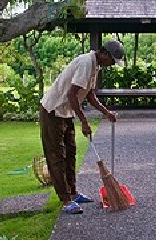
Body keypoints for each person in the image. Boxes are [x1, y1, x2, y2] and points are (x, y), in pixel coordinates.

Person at [39, 40, 125, 214]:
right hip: (53, 110)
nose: (111, 65)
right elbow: (72, 94)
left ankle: (73, 193)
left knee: (70, 153)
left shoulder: (95, 65)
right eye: (112, 60)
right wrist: (84, 122)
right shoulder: (86, 62)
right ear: (104, 54)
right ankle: (66, 200)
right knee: (57, 157)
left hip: (66, 112)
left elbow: (89, 94)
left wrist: (106, 112)